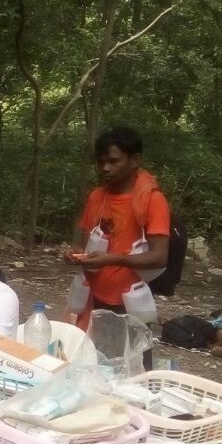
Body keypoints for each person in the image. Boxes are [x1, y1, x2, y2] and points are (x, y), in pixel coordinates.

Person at [67, 126, 170, 331]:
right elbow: (85, 245)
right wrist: (76, 254)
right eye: (101, 162)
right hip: (91, 297)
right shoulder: (96, 197)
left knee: (128, 352)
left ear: (134, 160)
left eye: (114, 161)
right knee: (88, 350)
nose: (105, 168)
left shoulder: (153, 201)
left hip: (130, 302)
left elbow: (159, 257)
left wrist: (112, 259)